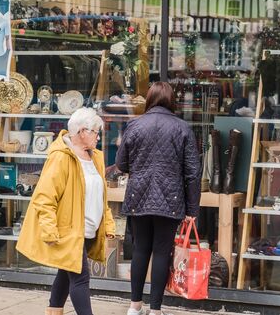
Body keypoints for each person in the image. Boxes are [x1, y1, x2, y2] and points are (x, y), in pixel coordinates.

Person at [16, 107, 116, 315]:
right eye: (96, 131)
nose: (98, 136)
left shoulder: (95, 157)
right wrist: (49, 230)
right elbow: (45, 197)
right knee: (80, 278)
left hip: (88, 228)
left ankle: (53, 310)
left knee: (65, 272)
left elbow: (101, 195)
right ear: (81, 132)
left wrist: (107, 223)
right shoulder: (61, 157)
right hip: (69, 230)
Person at [115, 82, 201, 315]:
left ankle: (134, 306)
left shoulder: (134, 125)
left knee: (140, 249)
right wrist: (193, 208)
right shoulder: (182, 128)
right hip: (170, 198)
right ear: (171, 100)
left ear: (150, 98)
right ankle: (155, 310)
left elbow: (121, 164)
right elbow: (193, 171)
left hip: (138, 195)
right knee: (162, 251)